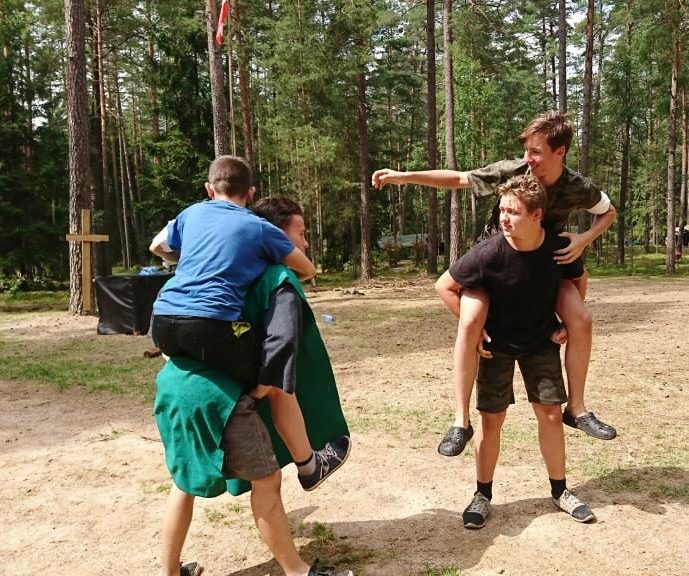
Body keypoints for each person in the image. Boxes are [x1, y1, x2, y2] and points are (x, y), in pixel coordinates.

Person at [372, 111, 618, 457]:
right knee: (470, 320)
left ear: (559, 152)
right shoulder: (514, 171)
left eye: (536, 152)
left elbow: (608, 212)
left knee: (581, 319)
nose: (528, 158)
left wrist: (584, 239)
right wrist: (403, 177)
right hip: (496, 266)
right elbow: (459, 179)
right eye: (526, 150)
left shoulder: (577, 185)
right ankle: (460, 422)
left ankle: (576, 409)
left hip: (545, 265)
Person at [154, 194, 353, 576]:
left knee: (183, 483)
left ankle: (169, 573)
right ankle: (297, 568)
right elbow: (281, 343)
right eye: (300, 233)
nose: (305, 242)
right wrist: (262, 387)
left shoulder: (205, 272)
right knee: (268, 480)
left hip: (175, 387)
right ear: (275, 236)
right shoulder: (277, 278)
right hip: (220, 398)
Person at [150, 155, 349, 491]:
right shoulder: (258, 228)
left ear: (209, 189)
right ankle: (309, 465)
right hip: (207, 326)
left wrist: (195, 257)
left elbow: (156, 246)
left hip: (161, 324)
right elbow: (307, 269)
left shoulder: (191, 213)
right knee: (274, 380)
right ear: (251, 192)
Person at [435, 175, 596, 529]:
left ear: (536, 215)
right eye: (503, 210)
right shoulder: (488, 252)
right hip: (496, 347)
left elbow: (578, 278)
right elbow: (444, 286)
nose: (504, 218)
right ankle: (482, 495)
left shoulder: (556, 247)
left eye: (513, 212)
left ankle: (560, 491)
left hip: (540, 341)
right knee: (491, 420)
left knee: (550, 415)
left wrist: (567, 323)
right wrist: (476, 330)